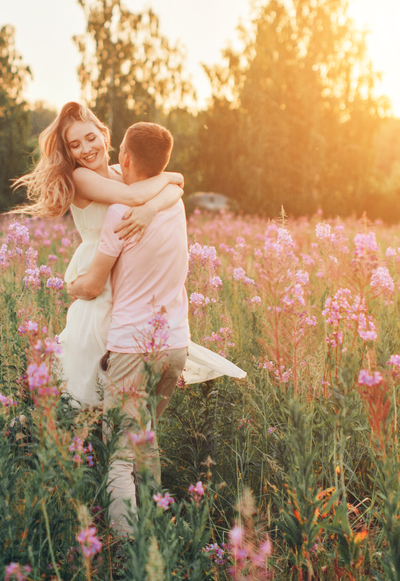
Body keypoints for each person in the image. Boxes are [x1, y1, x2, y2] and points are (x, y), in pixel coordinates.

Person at [13, 102, 244, 409]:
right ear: (68, 152)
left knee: (129, 379)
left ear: (104, 135)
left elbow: (176, 189)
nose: (86, 149)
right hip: (100, 278)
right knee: (93, 390)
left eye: (91, 138)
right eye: (75, 145)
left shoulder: (120, 172)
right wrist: (164, 184)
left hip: (127, 278)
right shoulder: (81, 178)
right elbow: (143, 193)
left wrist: (152, 206)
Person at [67, 121, 235, 536]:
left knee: (120, 455)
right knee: (146, 439)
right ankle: (155, 528)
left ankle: (127, 546)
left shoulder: (120, 215)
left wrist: (70, 286)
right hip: (174, 347)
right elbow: (173, 185)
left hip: (133, 347)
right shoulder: (173, 206)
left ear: (124, 158)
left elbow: (93, 284)